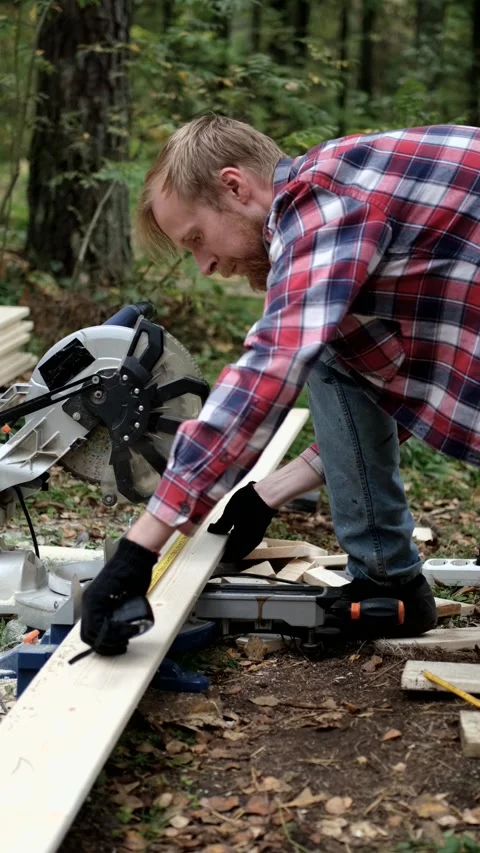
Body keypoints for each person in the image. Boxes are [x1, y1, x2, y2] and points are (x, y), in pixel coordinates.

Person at [80, 115, 480, 655]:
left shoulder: (324, 202)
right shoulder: (346, 195)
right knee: (335, 345)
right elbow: (389, 387)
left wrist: (138, 552)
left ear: (234, 186)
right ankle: (389, 585)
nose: (206, 266)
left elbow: (272, 365)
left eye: (197, 239)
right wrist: (269, 492)